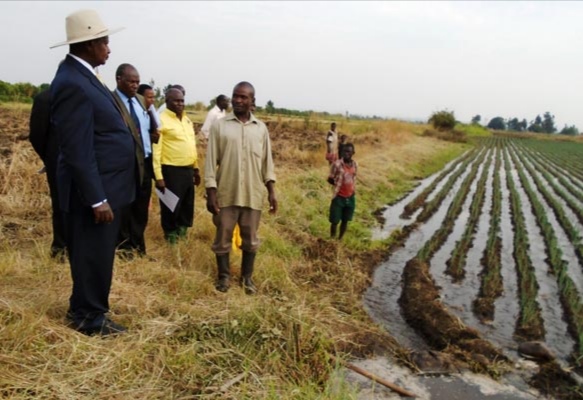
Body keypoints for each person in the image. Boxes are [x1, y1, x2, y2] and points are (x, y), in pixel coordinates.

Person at [49, 9, 136, 335]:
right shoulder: (72, 82)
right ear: (87, 44)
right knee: (92, 255)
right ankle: (89, 318)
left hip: (106, 188)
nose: (109, 49)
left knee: (96, 255)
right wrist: (97, 198)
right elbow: (76, 150)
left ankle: (86, 308)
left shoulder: (84, 76)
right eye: (104, 42)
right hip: (94, 194)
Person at [205, 81, 277, 294]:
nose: (237, 100)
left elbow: (267, 163)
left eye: (243, 97)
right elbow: (210, 162)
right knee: (223, 237)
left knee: (250, 239)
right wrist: (211, 193)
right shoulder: (220, 126)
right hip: (227, 193)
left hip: (253, 194)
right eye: (235, 96)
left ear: (252, 102)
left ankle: (247, 279)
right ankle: (224, 277)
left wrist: (272, 191)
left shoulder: (261, 128)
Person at [112, 64, 152, 258]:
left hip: (144, 162)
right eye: (131, 81)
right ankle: (124, 247)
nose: (135, 85)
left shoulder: (140, 101)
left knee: (141, 207)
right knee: (125, 207)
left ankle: (138, 245)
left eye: (137, 81)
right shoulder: (111, 101)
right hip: (124, 164)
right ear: (119, 79)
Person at [153, 88, 200, 243]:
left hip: (187, 170)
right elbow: (156, 151)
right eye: (176, 100)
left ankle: (182, 235)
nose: (180, 104)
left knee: (186, 206)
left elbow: (191, 145)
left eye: (182, 101)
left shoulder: (186, 120)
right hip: (170, 171)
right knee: (171, 206)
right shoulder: (160, 120)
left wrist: (196, 168)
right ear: (167, 101)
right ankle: (171, 239)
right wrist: (158, 177)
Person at [29, 88, 67, 260]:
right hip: (56, 160)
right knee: (60, 204)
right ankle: (60, 248)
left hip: (83, 161)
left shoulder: (82, 96)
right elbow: (37, 135)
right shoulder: (45, 98)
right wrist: (49, 158)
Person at [327, 143, 357, 240]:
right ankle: (332, 240)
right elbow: (330, 178)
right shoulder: (337, 164)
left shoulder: (355, 164)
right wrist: (337, 185)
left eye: (348, 151)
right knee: (334, 221)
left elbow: (353, 178)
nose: (346, 153)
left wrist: (351, 190)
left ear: (353, 153)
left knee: (345, 220)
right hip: (339, 197)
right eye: (344, 151)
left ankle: (340, 239)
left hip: (350, 196)